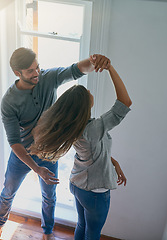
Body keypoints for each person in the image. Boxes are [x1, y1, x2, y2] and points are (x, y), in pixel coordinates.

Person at [0, 47, 111, 240]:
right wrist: (36, 169)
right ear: (17, 73)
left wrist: (95, 61)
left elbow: (76, 69)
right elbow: (14, 142)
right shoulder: (9, 102)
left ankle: (47, 231)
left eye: (37, 67)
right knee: (8, 191)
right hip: (22, 156)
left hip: (49, 154)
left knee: (49, 196)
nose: (36, 73)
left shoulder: (48, 78)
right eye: (30, 71)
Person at [30, 57, 132, 240]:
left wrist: (114, 163)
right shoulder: (94, 128)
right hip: (95, 192)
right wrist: (110, 68)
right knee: (92, 233)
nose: (90, 91)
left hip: (78, 184)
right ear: (84, 105)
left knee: (82, 225)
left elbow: (95, 152)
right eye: (87, 92)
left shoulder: (75, 127)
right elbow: (125, 103)